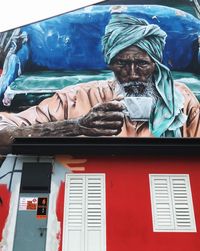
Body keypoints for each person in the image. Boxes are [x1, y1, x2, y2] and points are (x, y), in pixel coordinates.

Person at [0, 14, 199, 151]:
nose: (132, 74)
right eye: (121, 63)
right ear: (110, 64)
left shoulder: (181, 99)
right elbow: (2, 132)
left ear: (156, 65)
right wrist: (75, 127)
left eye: (141, 64)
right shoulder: (76, 98)